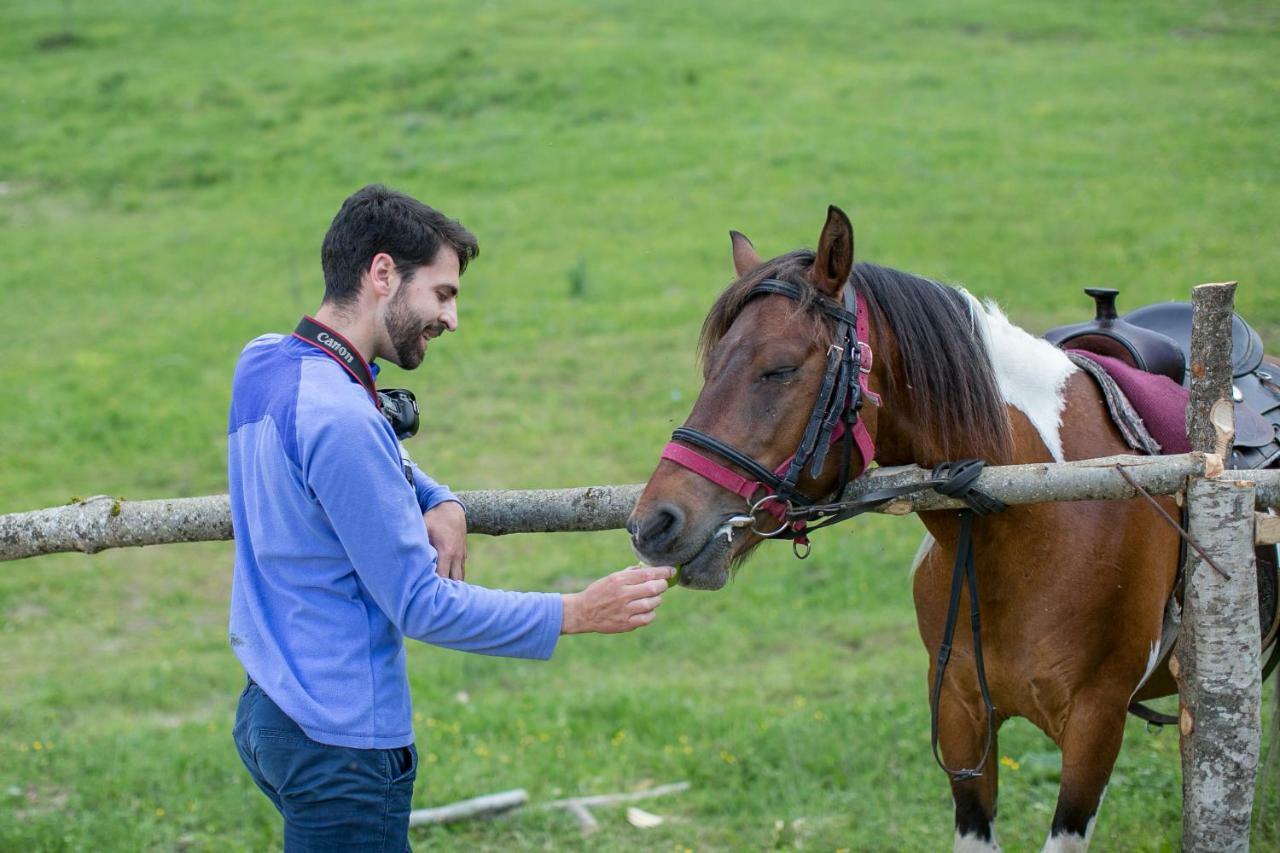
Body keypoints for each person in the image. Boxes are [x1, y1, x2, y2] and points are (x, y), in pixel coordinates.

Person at [227, 183, 673, 851]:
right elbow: (422, 604)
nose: (452, 318)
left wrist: (438, 496)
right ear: (382, 273)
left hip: (271, 712)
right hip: (340, 745)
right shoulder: (345, 421)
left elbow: (346, 459)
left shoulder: (263, 362)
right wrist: (576, 611)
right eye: (443, 293)